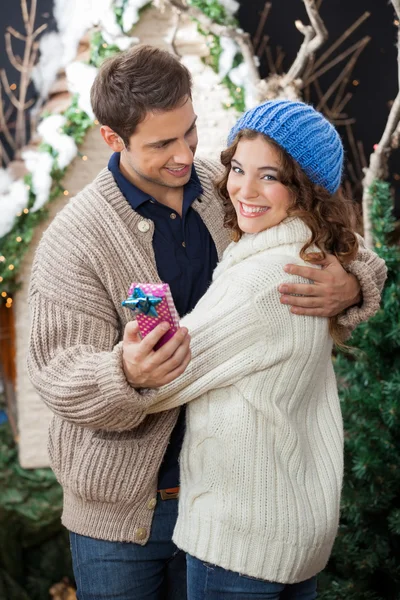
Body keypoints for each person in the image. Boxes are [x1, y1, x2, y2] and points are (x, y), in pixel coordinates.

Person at [27, 45, 386, 600]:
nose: (184, 154)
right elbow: (55, 374)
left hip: (228, 499)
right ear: (113, 139)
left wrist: (351, 281)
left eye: (189, 131)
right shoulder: (74, 240)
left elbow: (326, 228)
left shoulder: (229, 185)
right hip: (123, 516)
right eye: (162, 143)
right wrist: (122, 373)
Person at [144, 99, 385, 599]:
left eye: (269, 177)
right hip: (290, 526)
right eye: (237, 168)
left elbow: (163, 377)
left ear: (306, 190)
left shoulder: (264, 278)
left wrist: (131, 355)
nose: (243, 190)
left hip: (241, 535)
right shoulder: (309, 253)